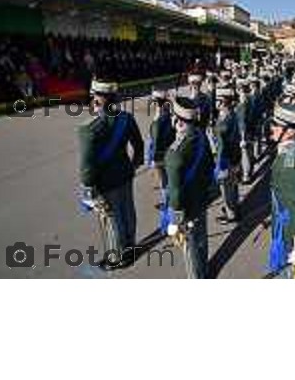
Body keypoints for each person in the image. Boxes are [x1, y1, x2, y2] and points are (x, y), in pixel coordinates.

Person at [77, 80, 144, 269]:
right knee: (128, 211)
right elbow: (138, 146)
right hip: (125, 173)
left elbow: (86, 166)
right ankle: (130, 248)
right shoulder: (126, 118)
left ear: (98, 98)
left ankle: (116, 257)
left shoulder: (90, 128)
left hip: (105, 181)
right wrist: (133, 166)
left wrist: (88, 188)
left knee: (110, 218)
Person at [164, 96, 218, 279]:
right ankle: (204, 269)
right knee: (201, 239)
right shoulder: (201, 136)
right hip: (201, 197)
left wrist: (175, 217)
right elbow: (210, 165)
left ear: (177, 120)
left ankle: (197, 277)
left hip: (186, 206)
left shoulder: (174, 153)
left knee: (190, 245)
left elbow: (175, 191)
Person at [268, 100, 295, 279]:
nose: (272, 127)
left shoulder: (289, 163)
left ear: (291, 131)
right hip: (289, 221)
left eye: (277, 125)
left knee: (289, 273)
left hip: (290, 231)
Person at [146, 89, 176, 230]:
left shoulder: (160, 119)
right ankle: (169, 203)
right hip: (169, 154)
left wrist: (154, 160)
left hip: (161, 156)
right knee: (168, 182)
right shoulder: (169, 114)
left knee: (164, 184)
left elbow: (156, 140)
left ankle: (168, 207)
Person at [214, 84, 242, 223]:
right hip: (235, 155)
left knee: (226, 188)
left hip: (226, 159)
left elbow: (221, 146)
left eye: (218, 100)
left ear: (223, 101)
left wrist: (220, 165)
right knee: (233, 184)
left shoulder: (224, 121)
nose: (216, 102)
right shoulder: (231, 114)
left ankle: (231, 213)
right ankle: (234, 206)